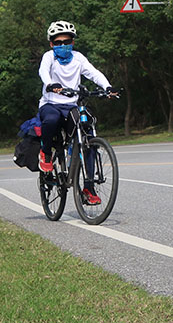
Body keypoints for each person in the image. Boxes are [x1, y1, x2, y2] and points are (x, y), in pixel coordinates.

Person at [38, 20, 117, 205]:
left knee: (87, 135)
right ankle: (46, 154)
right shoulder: (49, 57)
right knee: (51, 119)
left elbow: (94, 73)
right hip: (51, 103)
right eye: (58, 42)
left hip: (71, 105)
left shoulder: (79, 58)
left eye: (67, 41)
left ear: (73, 42)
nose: (63, 45)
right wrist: (50, 84)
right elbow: (43, 72)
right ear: (51, 44)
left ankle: (88, 187)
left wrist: (108, 87)